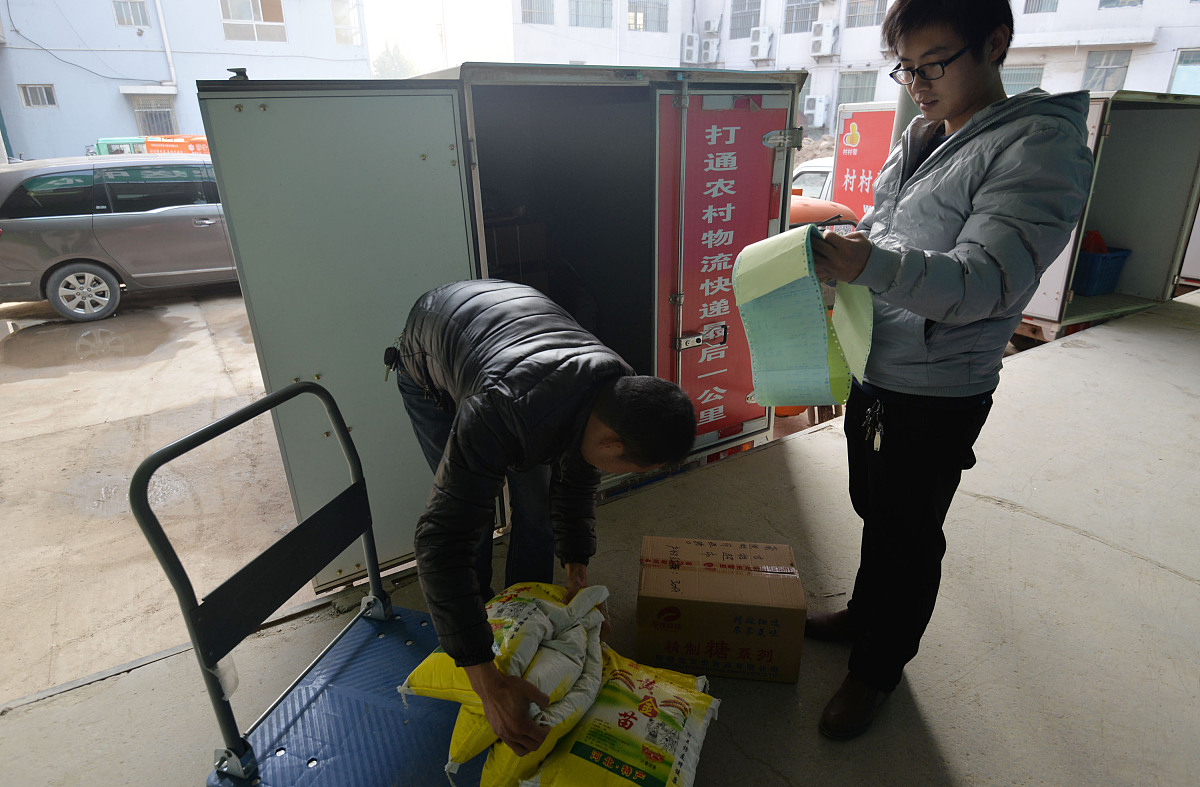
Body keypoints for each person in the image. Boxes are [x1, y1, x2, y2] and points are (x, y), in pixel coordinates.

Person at [807, 0, 1094, 740]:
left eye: (934, 62)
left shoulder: (1039, 146)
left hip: (937, 385)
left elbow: (987, 280)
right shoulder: (926, 132)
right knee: (873, 503)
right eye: (905, 66)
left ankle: (877, 670)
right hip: (881, 358)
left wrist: (871, 262)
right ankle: (867, 613)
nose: (917, 81)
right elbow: (890, 227)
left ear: (995, 43)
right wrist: (849, 247)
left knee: (907, 532)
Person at [390, 278, 697, 756]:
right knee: (466, 522)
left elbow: (576, 480)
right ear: (615, 445)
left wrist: (577, 569)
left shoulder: (613, 392)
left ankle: (521, 613)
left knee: (534, 511)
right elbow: (439, 543)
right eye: (632, 468)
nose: (621, 473)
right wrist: (487, 684)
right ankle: (479, 638)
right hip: (429, 357)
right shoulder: (502, 411)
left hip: (510, 340)